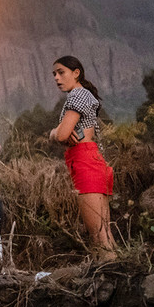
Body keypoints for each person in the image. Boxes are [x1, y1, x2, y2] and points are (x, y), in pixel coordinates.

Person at [48, 55, 116, 259]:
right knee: (105, 235)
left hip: (85, 161)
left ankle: (113, 281)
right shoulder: (84, 95)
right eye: (54, 74)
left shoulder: (77, 95)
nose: (57, 78)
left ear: (76, 73)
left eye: (61, 72)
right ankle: (120, 276)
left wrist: (53, 133)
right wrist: (60, 131)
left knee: (99, 238)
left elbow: (60, 135)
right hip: (91, 159)